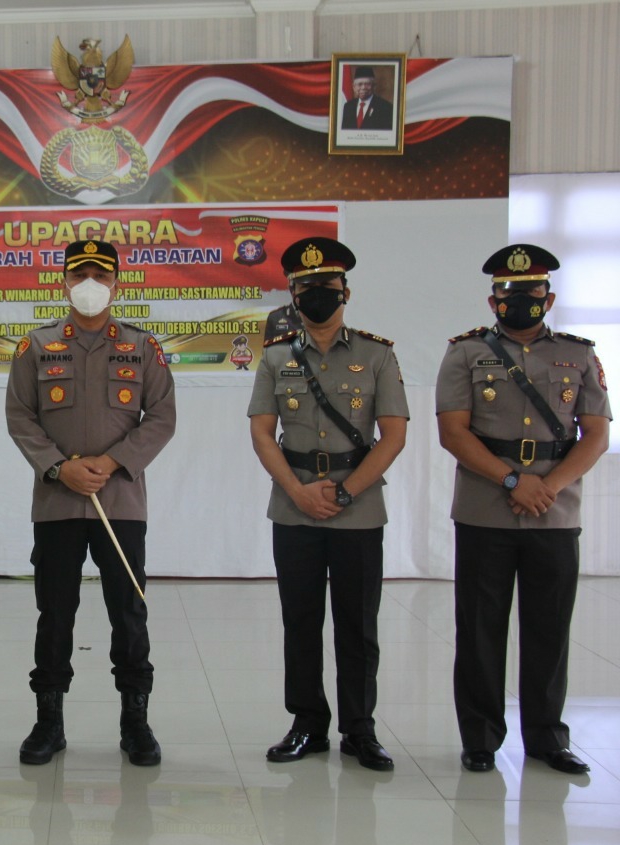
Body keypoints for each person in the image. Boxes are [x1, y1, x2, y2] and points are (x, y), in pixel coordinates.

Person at [436, 244, 610, 775]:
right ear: (494, 300)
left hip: (553, 515)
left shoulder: (579, 355)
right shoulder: (465, 353)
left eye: (532, 294)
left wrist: (547, 487)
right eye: (509, 295)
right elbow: (453, 431)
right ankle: (481, 739)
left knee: (549, 629)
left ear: (548, 297)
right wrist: (513, 479)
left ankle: (547, 738)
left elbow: (596, 435)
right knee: (481, 629)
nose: (520, 303)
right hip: (486, 508)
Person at [5, 239, 176, 767]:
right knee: (55, 612)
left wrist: (113, 462)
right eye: (80, 275)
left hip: (120, 502)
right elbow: (20, 418)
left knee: (128, 613)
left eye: (100, 276)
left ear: (117, 283)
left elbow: (162, 418)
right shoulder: (36, 347)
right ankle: (48, 721)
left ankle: (136, 721)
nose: (90, 285)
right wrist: (61, 467)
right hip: (57, 504)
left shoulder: (142, 348)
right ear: (63, 281)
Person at [247, 236, 408, 771]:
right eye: (307, 288)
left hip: (357, 508)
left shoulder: (377, 354)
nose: (319, 295)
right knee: (301, 619)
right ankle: (307, 724)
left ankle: (359, 729)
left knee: (358, 623)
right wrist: (297, 491)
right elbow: (263, 434)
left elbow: (393, 435)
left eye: (328, 287)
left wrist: (346, 490)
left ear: (346, 291)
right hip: (294, 507)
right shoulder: (274, 358)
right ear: (293, 294)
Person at [340, 66, 393, 131]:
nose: (363, 87)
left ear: (374, 86)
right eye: (359, 84)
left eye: (367, 84)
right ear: (354, 87)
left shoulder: (385, 107)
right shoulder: (348, 106)